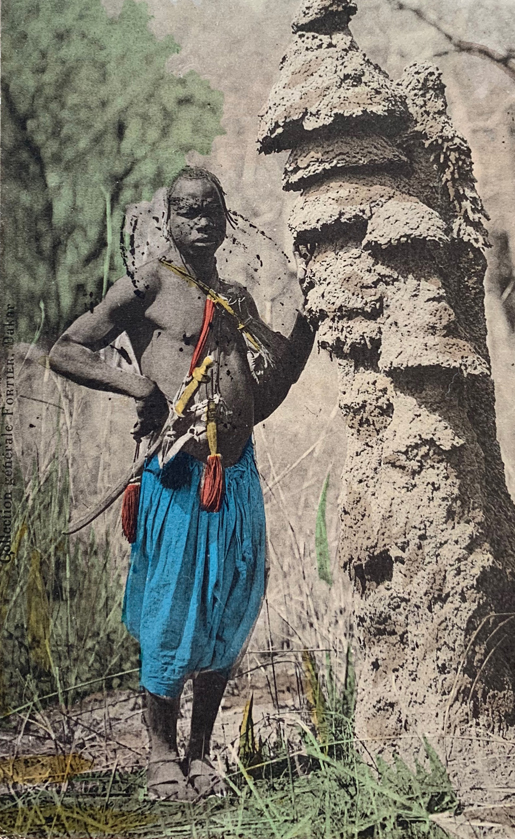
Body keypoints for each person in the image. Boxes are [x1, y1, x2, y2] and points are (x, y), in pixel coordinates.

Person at [48, 166, 314, 800]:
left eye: (212, 209)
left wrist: (303, 336)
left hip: (236, 476)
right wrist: (137, 385)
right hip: (175, 475)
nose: (201, 221)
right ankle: (161, 756)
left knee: (227, 609)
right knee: (173, 611)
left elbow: (264, 391)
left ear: (226, 219)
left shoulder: (237, 300)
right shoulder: (145, 287)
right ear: (166, 220)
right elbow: (66, 348)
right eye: (188, 210)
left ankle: (200, 752)